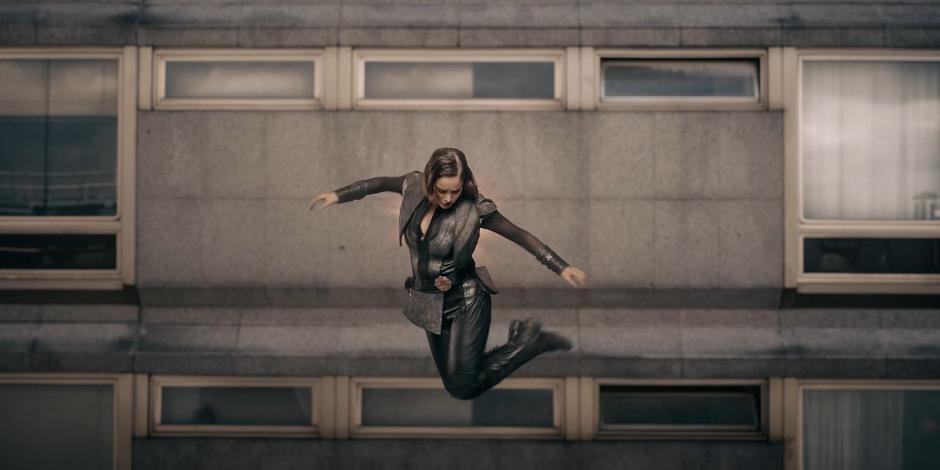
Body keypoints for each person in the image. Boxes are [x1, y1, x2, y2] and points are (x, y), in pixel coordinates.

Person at [308, 147, 588, 400]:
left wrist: (561, 266)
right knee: (457, 385)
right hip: (427, 300)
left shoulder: (476, 208)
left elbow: (519, 234)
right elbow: (378, 183)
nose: (448, 198)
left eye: (454, 191)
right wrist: (338, 195)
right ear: (429, 181)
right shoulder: (412, 185)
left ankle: (529, 343)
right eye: (441, 190)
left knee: (464, 385)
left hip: (466, 298)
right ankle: (526, 341)